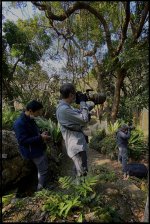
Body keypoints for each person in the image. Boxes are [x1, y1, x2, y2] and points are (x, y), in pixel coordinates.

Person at [56, 83, 94, 184]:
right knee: (82, 171)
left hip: (77, 145)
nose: (75, 97)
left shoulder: (66, 107)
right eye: (74, 94)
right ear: (71, 95)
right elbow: (84, 119)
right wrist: (82, 102)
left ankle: (78, 189)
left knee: (78, 170)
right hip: (76, 146)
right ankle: (82, 194)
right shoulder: (64, 109)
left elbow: (82, 112)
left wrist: (87, 102)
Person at [13, 100, 51, 192]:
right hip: (32, 152)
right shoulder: (19, 123)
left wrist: (41, 134)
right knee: (43, 171)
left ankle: (41, 187)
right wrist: (40, 137)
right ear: (30, 110)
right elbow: (22, 141)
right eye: (38, 111)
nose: (39, 113)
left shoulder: (30, 119)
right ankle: (41, 190)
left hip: (37, 148)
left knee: (41, 169)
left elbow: (32, 133)